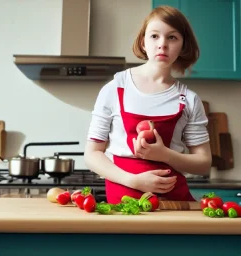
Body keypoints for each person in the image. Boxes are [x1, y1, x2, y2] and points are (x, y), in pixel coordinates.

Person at [84, 5, 212, 204]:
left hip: (173, 205)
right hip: (124, 205)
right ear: (143, 42)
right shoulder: (115, 88)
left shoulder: (189, 99)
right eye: (154, 36)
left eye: (172, 37)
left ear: (183, 46)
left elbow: (204, 163)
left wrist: (165, 154)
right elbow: (92, 154)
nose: (162, 44)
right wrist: (133, 180)